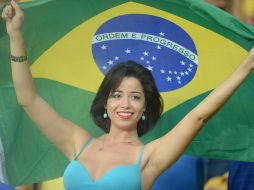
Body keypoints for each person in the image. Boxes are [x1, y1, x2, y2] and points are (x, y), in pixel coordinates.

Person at [1, 1, 254, 190]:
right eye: (117, 95)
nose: (125, 103)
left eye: (135, 97)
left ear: (145, 107)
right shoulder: (78, 142)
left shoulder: (150, 157)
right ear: (106, 102)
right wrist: (15, 36)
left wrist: (246, 65)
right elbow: (28, 99)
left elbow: (199, 115)